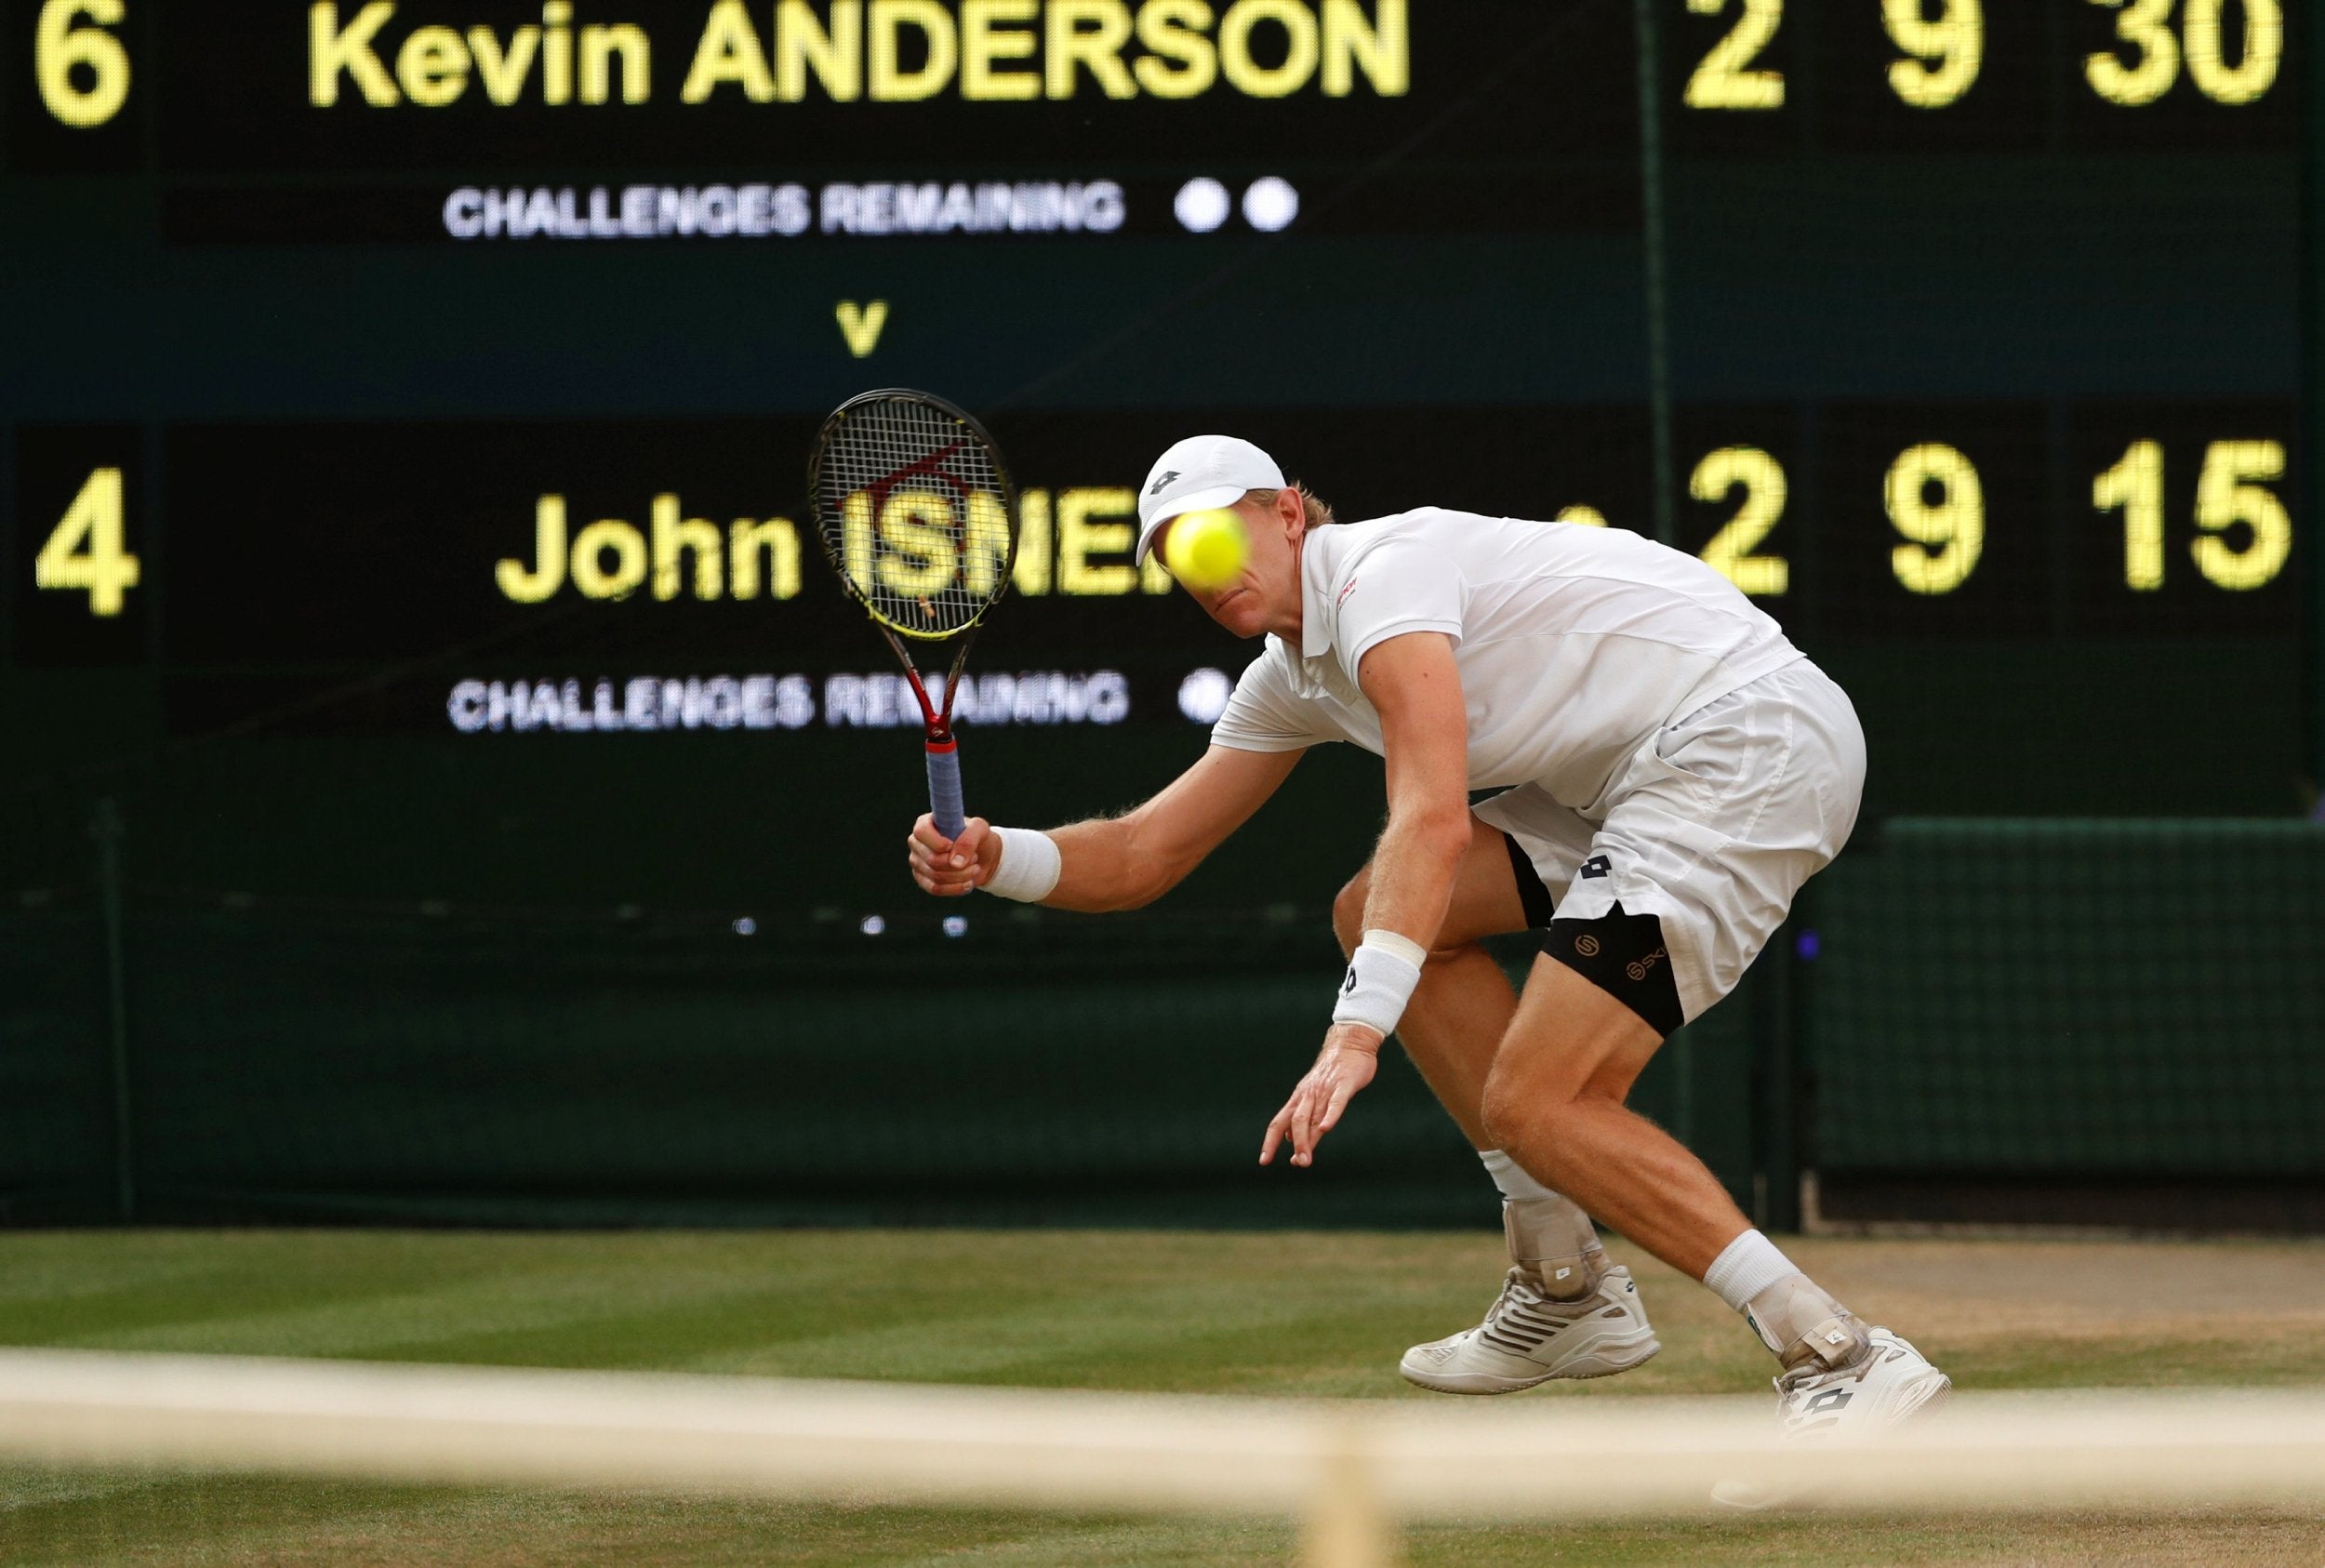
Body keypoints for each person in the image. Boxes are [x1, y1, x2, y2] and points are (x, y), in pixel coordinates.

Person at [906, 433, 1950, 1448]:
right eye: (1178, 561)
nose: (1202, 574)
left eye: (1214, 542)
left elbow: (1433, 819)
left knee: (1543, 1101)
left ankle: (1837, 1355)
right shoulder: (1289, 676)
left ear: (1284, 516)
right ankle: (1567, 1287)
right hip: (1629, 784)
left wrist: (1353, 1034)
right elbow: (1143, 855)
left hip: (1742, 747)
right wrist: (1000, 857)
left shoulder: (1377, 575)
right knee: (1374, 914)